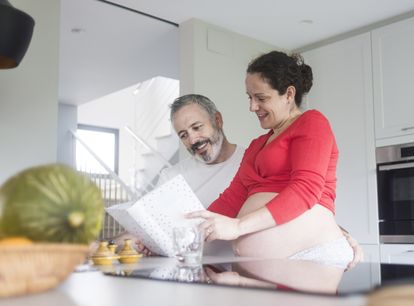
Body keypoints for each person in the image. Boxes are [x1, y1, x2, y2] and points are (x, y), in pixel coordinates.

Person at [187, 51, 361, 269]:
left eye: (261, 98)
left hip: (312, 256)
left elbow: (305, 190)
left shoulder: (312, 123)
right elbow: (232, 199)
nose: (252, 106)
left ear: (289, 94)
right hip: (262, 267)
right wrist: (181, 234)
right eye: (249, 98)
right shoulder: (256, 145)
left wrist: (239, 226)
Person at [112, 94, 245, 256]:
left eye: (197, 127)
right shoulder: (172, 175)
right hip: (184, 272)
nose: (193, 139)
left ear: (217, 120)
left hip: (234, 272)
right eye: (183, 135)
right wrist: (110, 244)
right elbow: (149, 229)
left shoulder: (251, 163)